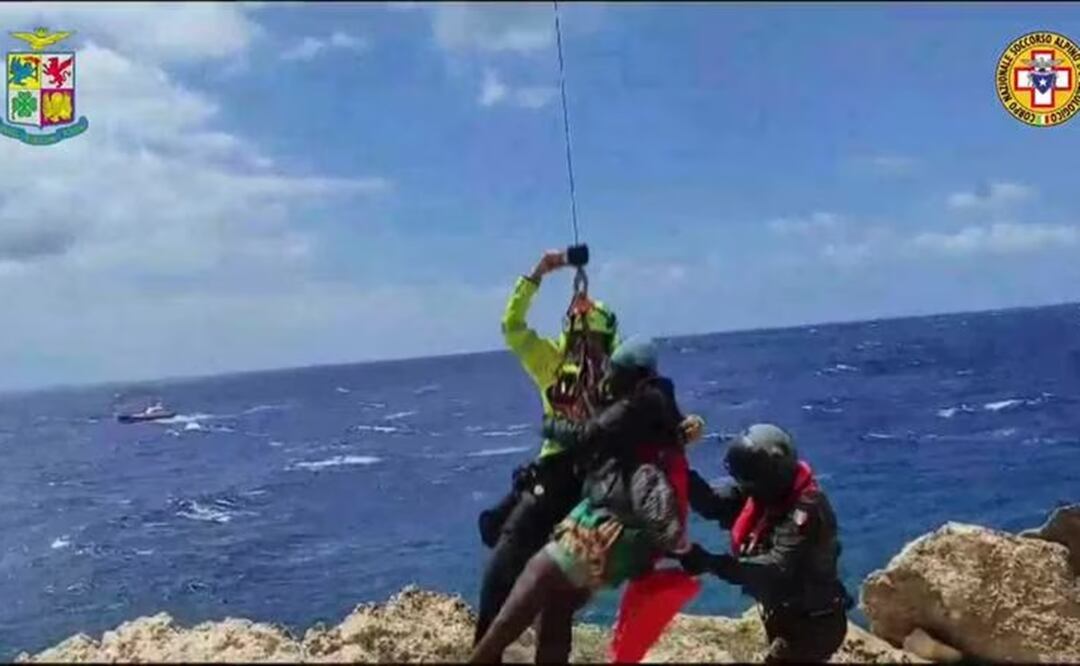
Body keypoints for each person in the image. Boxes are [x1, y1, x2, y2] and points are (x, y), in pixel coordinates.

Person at [471, 337, 703, 664]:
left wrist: (552, 426)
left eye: (615, 370)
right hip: (630, 539)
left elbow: (588, 436)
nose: (609, 375)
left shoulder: (639, 403)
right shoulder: (660, 407)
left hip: (609, 532)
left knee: (533, 581)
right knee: (557, 606)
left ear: (632, 374)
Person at [473, 249, 621, 647]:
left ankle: (483, 653)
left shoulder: (554, 363)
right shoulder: (618, 376)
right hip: (595, 491)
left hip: (555, 483)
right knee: (558, 597)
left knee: (502, 575)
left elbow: (512, 326)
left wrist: (539, 272)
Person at [677, 424, 853, 664]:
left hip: (813, 625)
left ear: (768, 478)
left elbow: (775, 567)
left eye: (749, 482)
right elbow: (713, 504)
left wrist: (711, 563)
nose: (744, 488)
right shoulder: (765, 496)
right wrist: (677, 472)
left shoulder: (806, 509)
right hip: (787, 616)